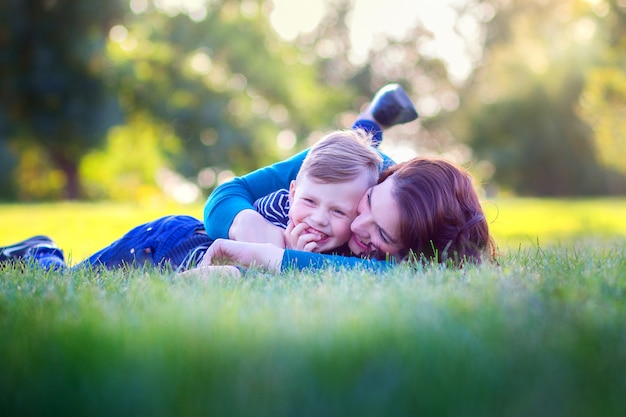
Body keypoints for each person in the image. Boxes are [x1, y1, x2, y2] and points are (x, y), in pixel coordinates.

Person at [0, 126, 384, 272]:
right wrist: (282, 244)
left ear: (359, 212)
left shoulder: (352, 244)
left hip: (185, 257)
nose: (318, 219)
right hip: (171, 241)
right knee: (73, 280)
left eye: (338, 212)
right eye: (312, 203)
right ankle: (39, 253)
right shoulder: (280, 209)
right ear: (294, 191)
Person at [197, 155, 497, 273]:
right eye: (367, 201)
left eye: (382, 233)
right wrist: (247, 224)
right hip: (358, 147)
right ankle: (371, 120)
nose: (355, 223)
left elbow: (405, 276)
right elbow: (226, 195)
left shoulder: (413, 257)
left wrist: (276, 258)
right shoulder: (349, 166)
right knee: (361, 137)